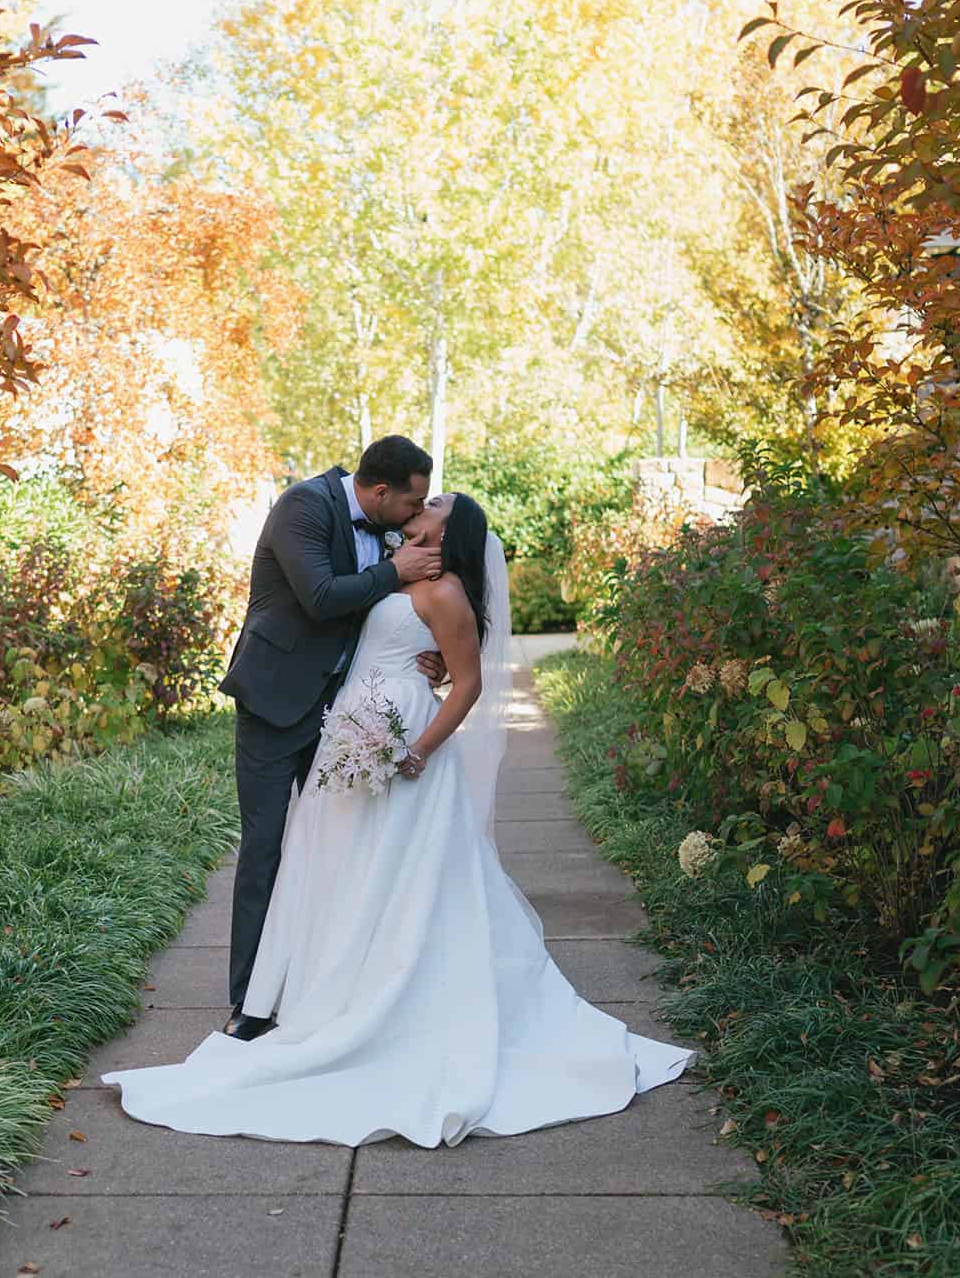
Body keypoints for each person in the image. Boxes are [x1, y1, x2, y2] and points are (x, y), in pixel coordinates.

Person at [104, 492, 695, 1147]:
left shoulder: (444, 592)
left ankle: (387, 1006)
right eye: (423, 492)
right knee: (336, 866)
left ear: (450, 533)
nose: (427, 498)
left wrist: (417, 748)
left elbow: (466, 682)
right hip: (353, 726)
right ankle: (315, 994)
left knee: (400, 877)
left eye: (436, 501)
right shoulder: (399, 565)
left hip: (397, 736)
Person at [214, 435, 445, 1042]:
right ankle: (251, 1001)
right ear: (378, 492)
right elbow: (319, 598)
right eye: (411, 502)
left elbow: (401, 611)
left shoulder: (393, 526)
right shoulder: (304, 506)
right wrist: (394, 569)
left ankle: (326, 985)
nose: (416, 514)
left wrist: (433, 657)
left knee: (340, 845)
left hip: (346, 711)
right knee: (266, 847)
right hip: (274, 700)